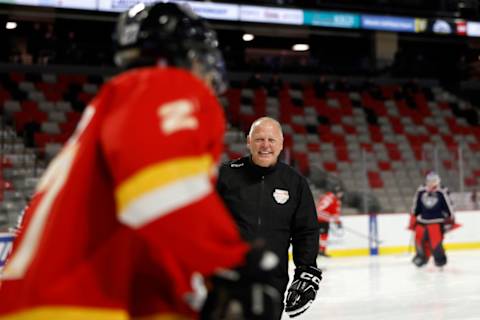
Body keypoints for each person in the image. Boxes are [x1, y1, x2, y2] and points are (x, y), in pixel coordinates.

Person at [0, 3, 281, 320]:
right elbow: (158, 190)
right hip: (77, 304)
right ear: (187, 57)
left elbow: (139, 235)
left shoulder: (114, 110)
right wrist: (233, 263)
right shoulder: (164, 85)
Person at [216, 117, 322, 318]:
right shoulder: (225, 176)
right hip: (227, 279)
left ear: (281, 144)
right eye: (259, 139)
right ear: (248, 141)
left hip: (272, 280)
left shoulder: (295, 183)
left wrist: (306, 269)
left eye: (271, 140)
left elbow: (306, 231)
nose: (265, 145)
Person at [408, 171, 455, 268]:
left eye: (434, 181)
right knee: (419, 240)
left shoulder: (442, 191)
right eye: (430, 181)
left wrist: (450, 218)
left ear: (438, 182)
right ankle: (421, 258)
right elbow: (416, 206)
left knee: (435, 242)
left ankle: (440, 260)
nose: (431, 183)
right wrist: (413, 216)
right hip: (423, 221)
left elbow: (449, 206)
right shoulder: (421, 191)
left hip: (437, 221)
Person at [316, 186, 343, 257]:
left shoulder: (326, 195)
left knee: (317, 235)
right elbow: (335, 213)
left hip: (315, 217)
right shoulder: (335, 200)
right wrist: (337, 222)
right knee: (324, 235)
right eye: (340, 193)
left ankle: (319, 250)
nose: (341, 195)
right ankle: (321, 250)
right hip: (322, 219)